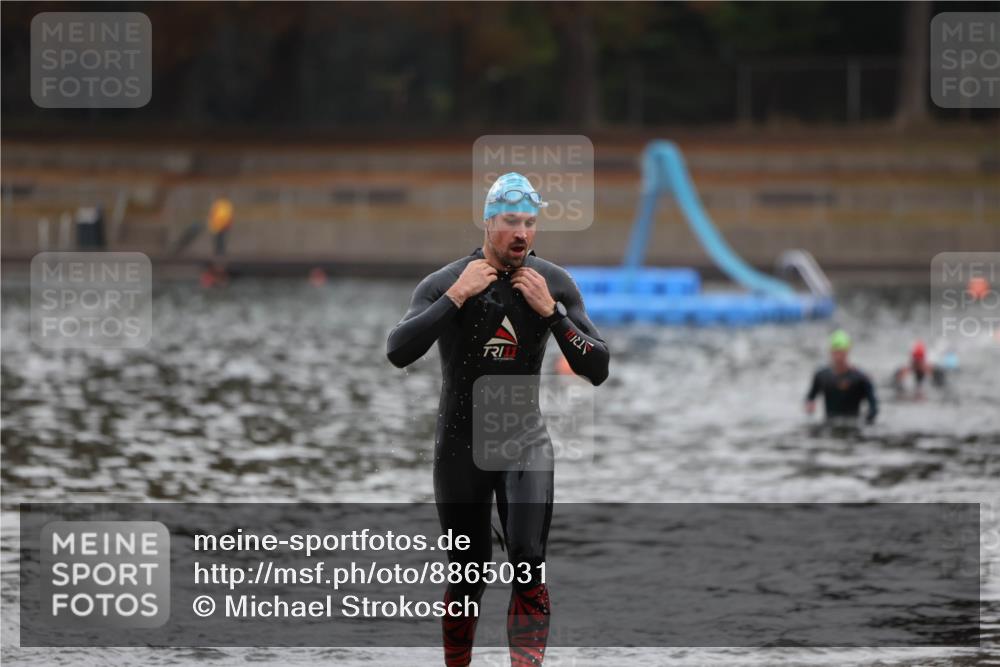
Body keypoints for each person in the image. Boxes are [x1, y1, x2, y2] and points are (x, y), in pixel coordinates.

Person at [386, 172, 609, 666]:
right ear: (488, 223)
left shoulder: (553, 283)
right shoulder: (445, 282)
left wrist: (553, 315)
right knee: (469, 572)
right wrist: (455, 298)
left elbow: (598, 368)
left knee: (528, 560)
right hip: (460, 446)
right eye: (511, 221)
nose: (521, 233)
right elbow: (397, 351)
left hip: (524, 441)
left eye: (530, 223)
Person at [805, 329, 878, 425]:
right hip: (829, 423)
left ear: (848, 351)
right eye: (836, 351)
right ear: (830, 351)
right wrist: (810, 406)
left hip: (853, 424)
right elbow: (810, 397)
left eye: (841, 352)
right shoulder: (821, 376)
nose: (838, 356)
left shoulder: (860, 378)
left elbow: (873, 407)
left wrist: (867, 421)